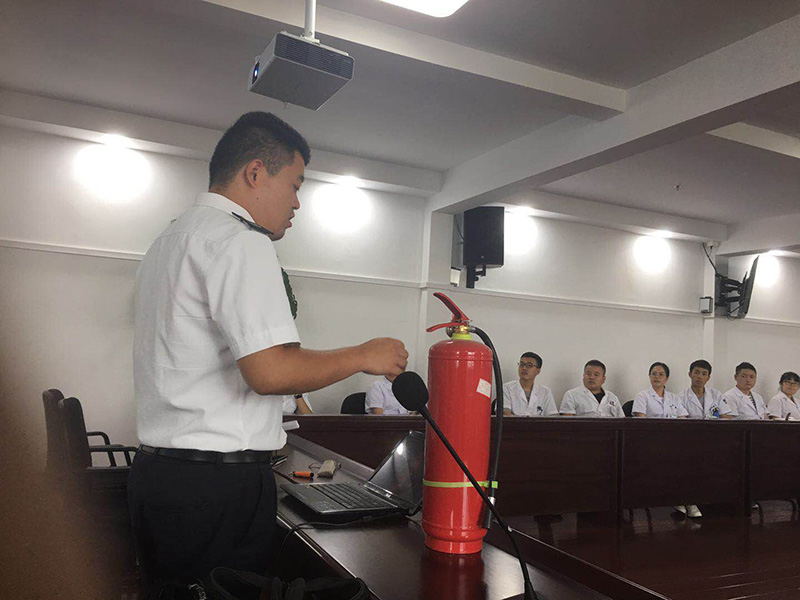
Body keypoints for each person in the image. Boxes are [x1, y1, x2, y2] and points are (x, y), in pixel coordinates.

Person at [129, 112, 408, 589]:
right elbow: (270, 372)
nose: (297, 203)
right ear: (256, 173)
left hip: (159, 476)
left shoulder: (169, 240)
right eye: (295, 185)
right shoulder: (240, 241)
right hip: (216, 488)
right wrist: (363, 355)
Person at [502, 352, 557, 416]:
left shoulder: (545, 392)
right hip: (513, 423)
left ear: (538, 371)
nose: (524, 368)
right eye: (521, 364)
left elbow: (552, 415)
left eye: (529, 365)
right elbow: (505, 413)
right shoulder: (506, 388)